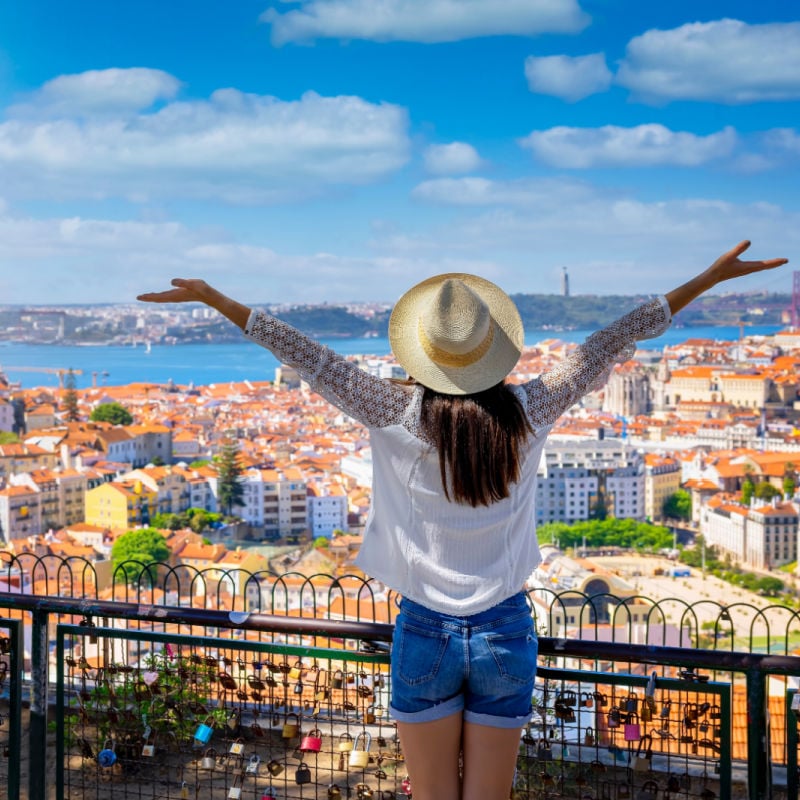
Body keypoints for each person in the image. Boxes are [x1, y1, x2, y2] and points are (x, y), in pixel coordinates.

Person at [139, 240, 786, 800]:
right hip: (506, 627)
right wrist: (706, 280)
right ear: (493, 350)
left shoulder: (393, 411)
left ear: (424, 353)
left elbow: (306, 354)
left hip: (424, 628)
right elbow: (608, 340)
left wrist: (216, 298)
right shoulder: (531, 409)